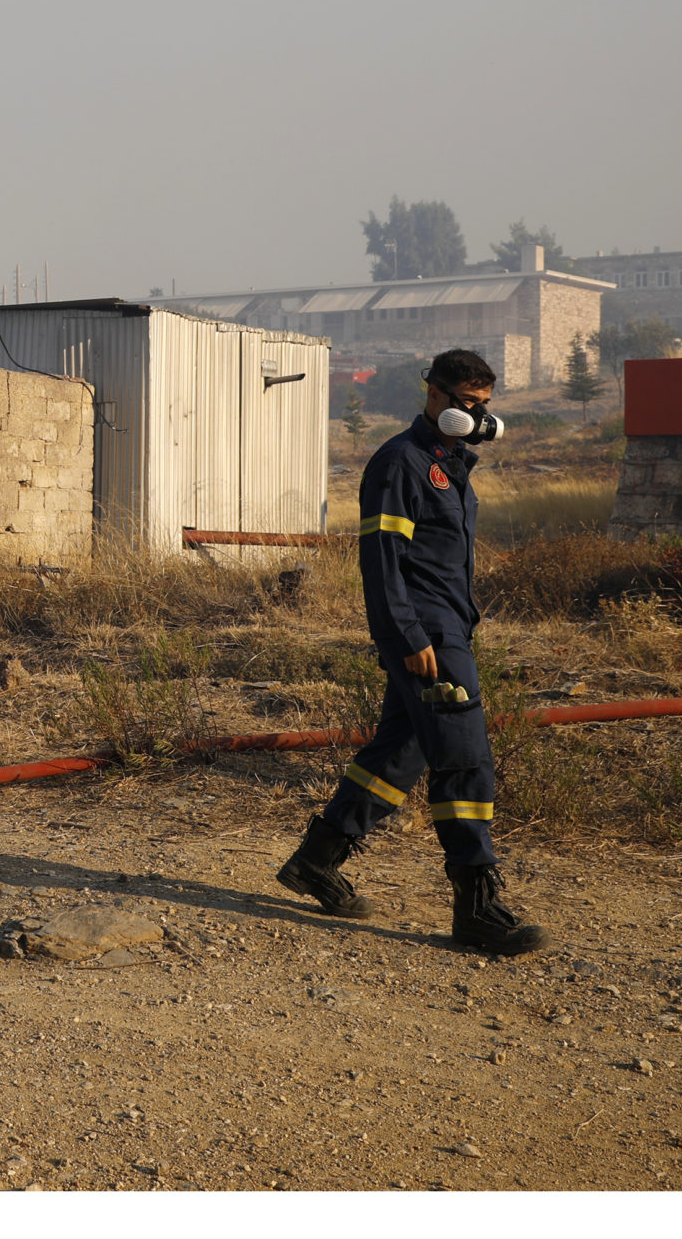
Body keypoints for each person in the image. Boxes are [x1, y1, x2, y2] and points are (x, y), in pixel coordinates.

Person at [275, 347, 550, 956]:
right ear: (436, 395)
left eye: (486, 407)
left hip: (449, 625)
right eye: (468, 404)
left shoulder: (448, 463)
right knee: (465, 756)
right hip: (426, 633)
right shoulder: (402, 462)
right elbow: (381, 563)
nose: (478, 417)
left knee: (400, 753)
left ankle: (317, 860)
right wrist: (407, 636)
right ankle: (476, 906)